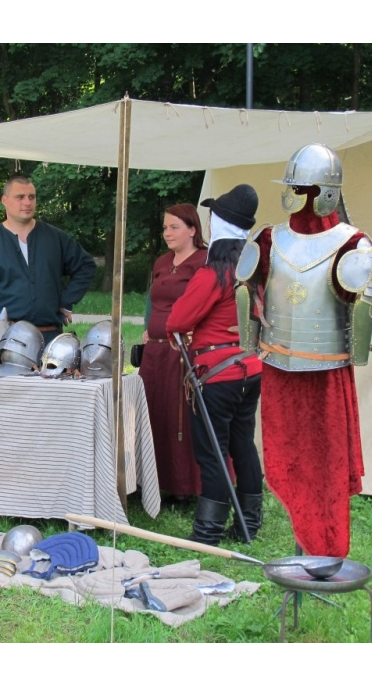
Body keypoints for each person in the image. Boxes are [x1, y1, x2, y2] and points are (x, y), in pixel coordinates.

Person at [235, 143, 372, 558]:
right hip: (279, 362)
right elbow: (245, 291)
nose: (299, 195)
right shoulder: (269, 238)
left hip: (325, 367)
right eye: (296, 186)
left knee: (324, 464)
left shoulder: (354, 243)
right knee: (288, 460)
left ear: (327, 192)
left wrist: (353, 354)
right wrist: (253, 342)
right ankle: (305, 546)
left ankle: (322, 546)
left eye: (307, 187)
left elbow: (364, 308)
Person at [166, 184, 264, 546]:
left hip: (218, 374)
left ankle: (208, 531)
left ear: (218, 225)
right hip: (251, 369)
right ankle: (248, 524)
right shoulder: (253, 272)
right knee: (243, 445)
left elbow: (176, 321)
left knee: (213, 451)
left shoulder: (213, 275)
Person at [0, 175, 96, 347]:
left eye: (31, 197)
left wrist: (67, 300)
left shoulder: (55, 238)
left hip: (48, 339)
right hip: (2, 340)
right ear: (4, 200)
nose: (27, 202)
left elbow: (86, 265)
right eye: (20, 197)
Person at [137, 203, 208, 502]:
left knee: (180, 419)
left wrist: (197, 332)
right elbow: (153, 302)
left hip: (183, 352)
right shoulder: (162, 262)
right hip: (155, 353)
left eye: (174, 227)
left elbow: (210, 301)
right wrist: (147, 326)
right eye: (165, 227)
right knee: (152, 414)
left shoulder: (205, 261)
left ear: (192, 229)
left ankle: (183, 487)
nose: (167, 232)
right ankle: (152, 482)